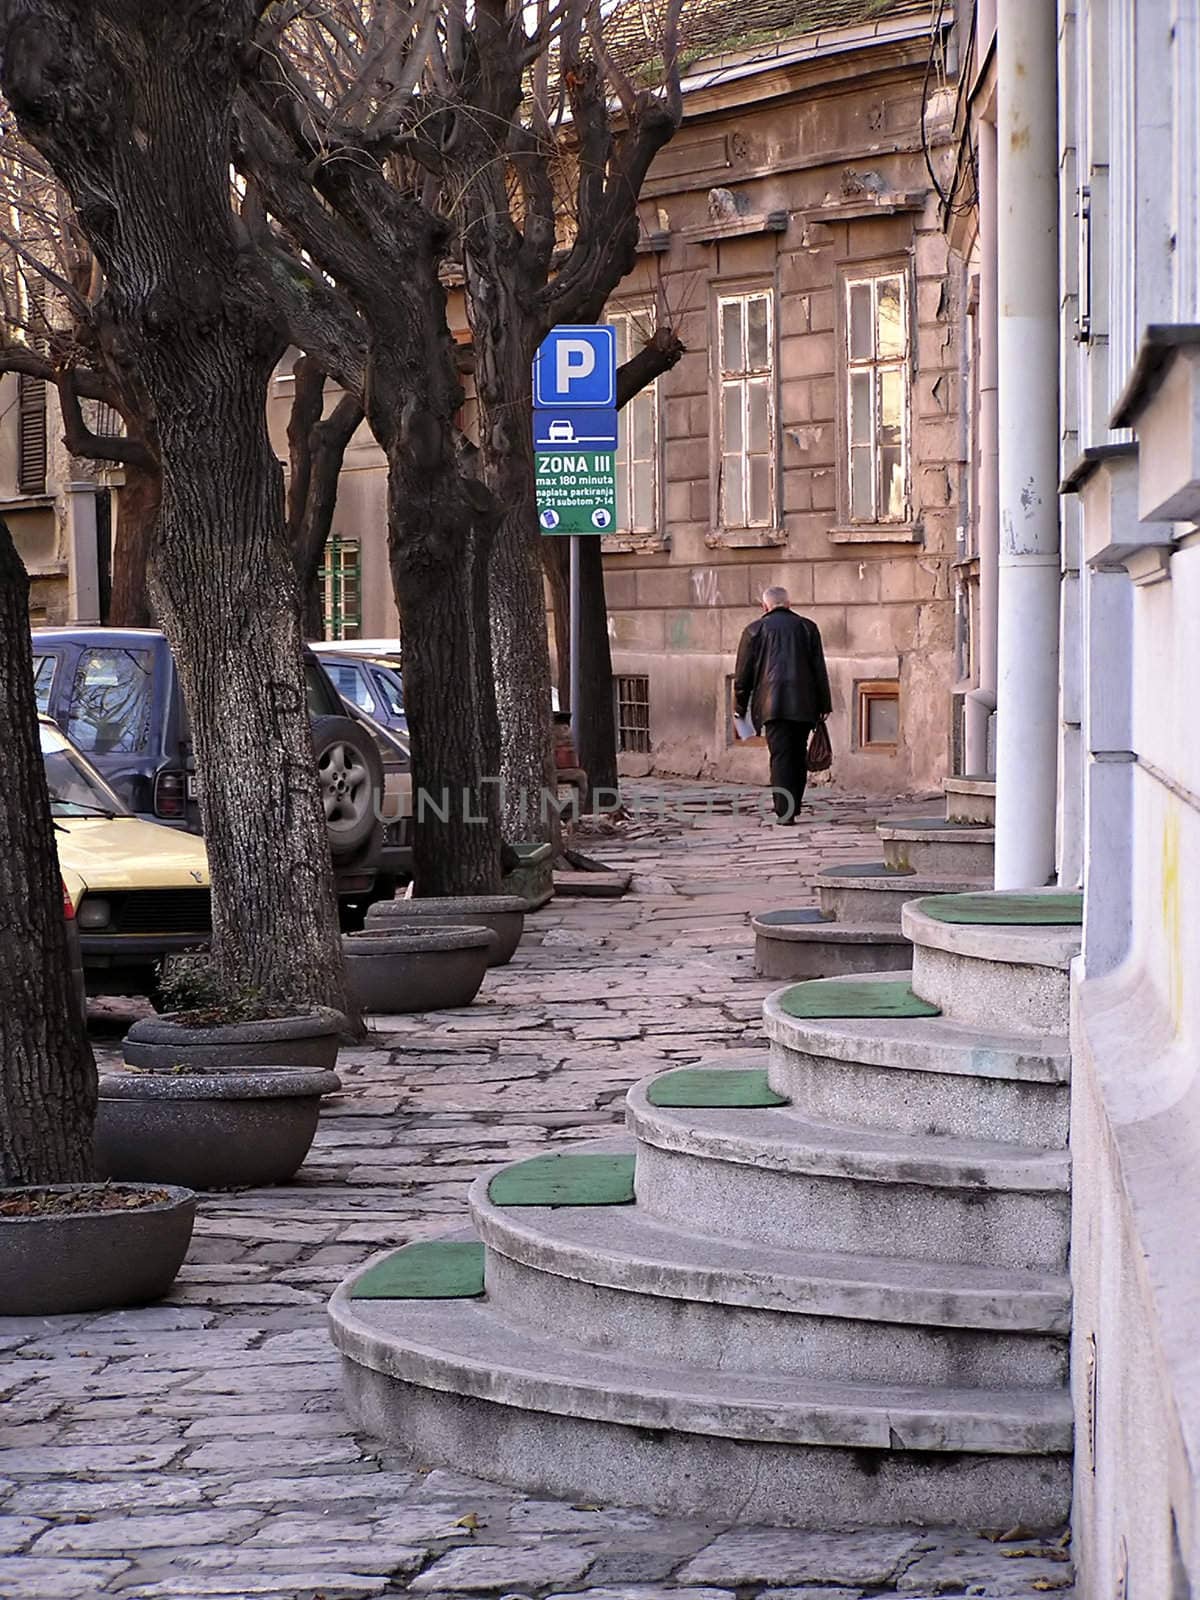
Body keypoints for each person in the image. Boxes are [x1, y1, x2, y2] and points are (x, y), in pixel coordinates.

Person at [733, 586, 832, 824]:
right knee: (798, 753)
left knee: (780, 756)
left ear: (764, 606)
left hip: (771, 705)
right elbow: (819, 669)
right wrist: (824, 703)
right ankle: (794, 805)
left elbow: (742, 676)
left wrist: (740, 706)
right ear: (789, 604)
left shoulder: (754, 630)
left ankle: (784, 811)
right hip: (804, 703)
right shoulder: (808, 628)